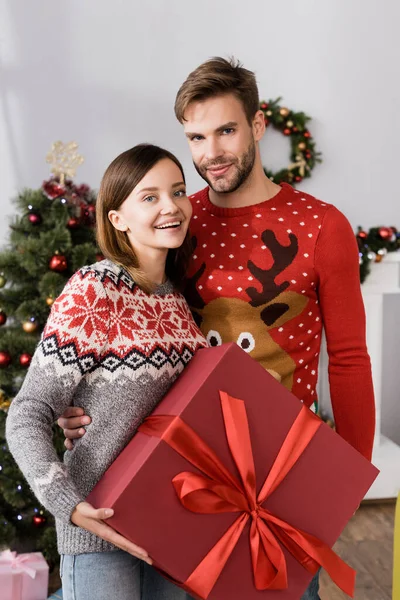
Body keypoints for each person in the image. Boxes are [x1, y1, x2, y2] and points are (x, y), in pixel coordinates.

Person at [59, 57, 376, 600]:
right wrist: (84, 402)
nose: (211, 153)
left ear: (256, 126)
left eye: (226, 130)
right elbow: (125, 316)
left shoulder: (323, 225)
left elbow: (347, 360)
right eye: (196, 137)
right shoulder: (177, 219)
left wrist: (345, 483)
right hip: (185, 469)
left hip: (283, 473)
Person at [6, 144, 207, 600]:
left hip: (175, 526)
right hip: (100, 528)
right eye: (150, 197)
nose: (171, 206)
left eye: (178, 191)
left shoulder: (177, 303)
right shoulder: (94, 289)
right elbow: (27, 414)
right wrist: (70, 507)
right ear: (117, 218)